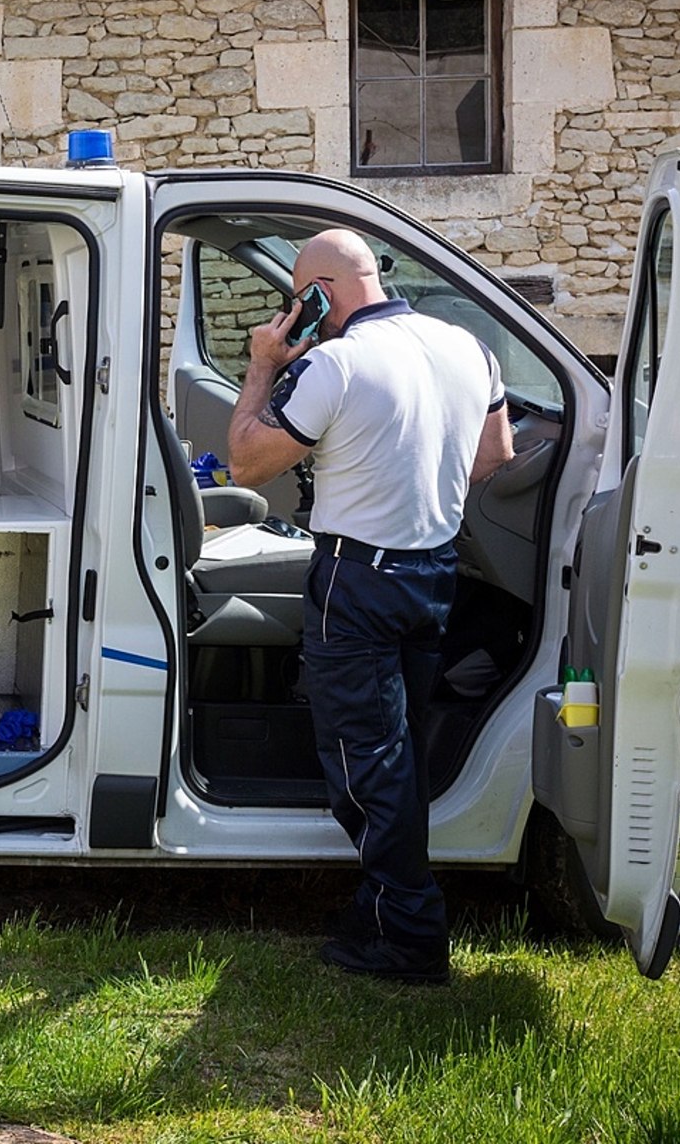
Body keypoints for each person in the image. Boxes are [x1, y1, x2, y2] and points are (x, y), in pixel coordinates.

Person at [227, 229, 513, 984]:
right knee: (399, 750)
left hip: (356, 583)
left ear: (319, 293)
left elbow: (246, 461)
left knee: (366, 760)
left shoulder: (335, 363)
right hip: (433, 574)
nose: (298, 312)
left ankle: (410, 934)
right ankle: (384, 907)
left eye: (300, 299)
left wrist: (262, 366)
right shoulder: (468, 348)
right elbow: (495, 457)